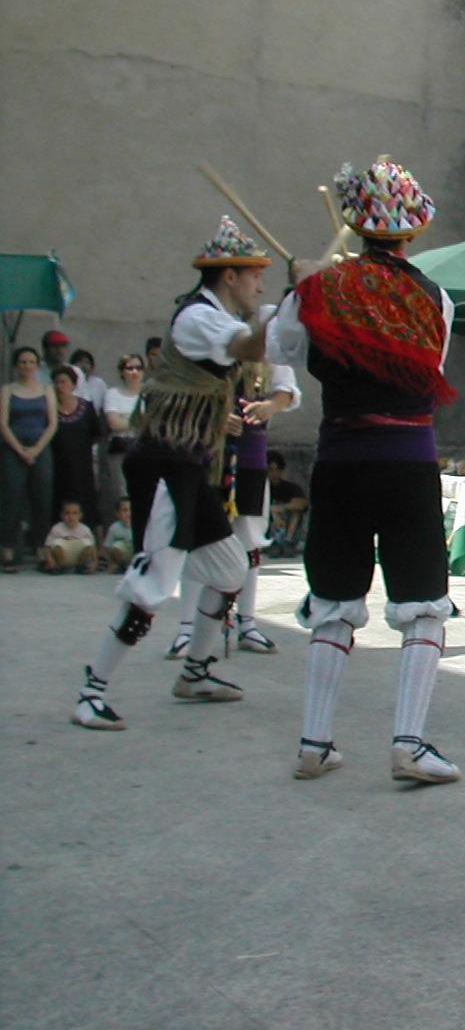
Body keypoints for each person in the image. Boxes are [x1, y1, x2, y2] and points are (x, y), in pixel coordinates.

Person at [267, 158, 462, 785]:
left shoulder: (319, 289)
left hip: (341, 459)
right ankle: (409, 743)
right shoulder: (436, 297)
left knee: (333, 601)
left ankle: (314, 741)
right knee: (423, 605)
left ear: (355, 226)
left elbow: (278, 349)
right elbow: (431, 368)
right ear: (414, 230)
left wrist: (305, 289)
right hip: (408, 460)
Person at [68, 217, 274, 731]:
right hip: (163, 466)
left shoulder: (215, 316)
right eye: (254, 277)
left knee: (229, 570)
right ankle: (92, 692)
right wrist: (297, 299)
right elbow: (251, 346)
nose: (259, 287)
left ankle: (195, 672)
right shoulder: (199, 318)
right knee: (153, 583)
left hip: (190, 465)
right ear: (229, 276)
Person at [168, 350, 299, 658]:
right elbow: (179, 392)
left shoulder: (265, 345)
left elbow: (286, 389)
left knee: (249, 540)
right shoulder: (207, 339)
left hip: (250, 456)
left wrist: (269, 406)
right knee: (197, 539)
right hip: (205, 455)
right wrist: (212, 416)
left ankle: (247, 624)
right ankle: (187, 628)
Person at [2, 346, 58, 570]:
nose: (27, 366)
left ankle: (42, 549)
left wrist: (35, 450)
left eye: (31, 362)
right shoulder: (7, 390)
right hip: (12, 449)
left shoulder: (47, 389)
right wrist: (20, 450)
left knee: (42, 499)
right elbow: (2, 423)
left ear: (37, 365)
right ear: (16, 365)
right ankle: (7, 550)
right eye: (23, 362)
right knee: (11, 498)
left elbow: (52, 423)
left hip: (40, 449)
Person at [49, 365, 102, 534]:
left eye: (64, 382)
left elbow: (96, 433)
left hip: (82, 464)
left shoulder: (86, 408)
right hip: (57, 464)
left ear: (73, 384)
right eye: (56, 382)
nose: (60, 386)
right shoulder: (49, 408)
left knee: (85, 499)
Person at [101, 353, 145, 521]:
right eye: (130, 368)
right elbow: (114, 424)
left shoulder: (150, 393)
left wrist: (126, 419)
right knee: (122, 493)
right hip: (121, 449)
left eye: (139, 368)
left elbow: (154, 422)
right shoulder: (113, 393)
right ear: (122, 371)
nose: (135, 372)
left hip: (145, 448)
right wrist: (140, 419)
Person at [266, 450, 308, 554]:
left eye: (277, 470)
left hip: (288, 527)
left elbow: (302, 504)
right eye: (270, 470)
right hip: (269, 527)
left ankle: (287, 541)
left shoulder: (291, 488)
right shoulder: (261, 489)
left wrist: (282, 508)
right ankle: (273, 543)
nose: (274, 473)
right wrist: (272, 511)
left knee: (295, 511)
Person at [41, 499, 98, 573]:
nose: (71, 516)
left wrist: (95, 563)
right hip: (62, 558)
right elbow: (47, 547)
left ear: (80, 515)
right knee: (56, 545)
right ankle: (58, 567)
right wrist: (50, 560)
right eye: (67, 513)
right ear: (62, 515)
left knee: (88, 545)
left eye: (75, 513)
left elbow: (93, 549)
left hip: (78, 558)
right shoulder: (57, 528)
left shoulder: (85, 529)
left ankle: (80, 566)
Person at [103, 496, 135, 572]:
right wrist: (110, 562)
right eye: (124, 510)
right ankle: (123, 566)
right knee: (116, 547)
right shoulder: (114, 528)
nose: (128, 513)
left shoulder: (141, 527)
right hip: (122, 555)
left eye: (131, 510)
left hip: (134, 553)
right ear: (117, 513)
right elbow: (107, 547)